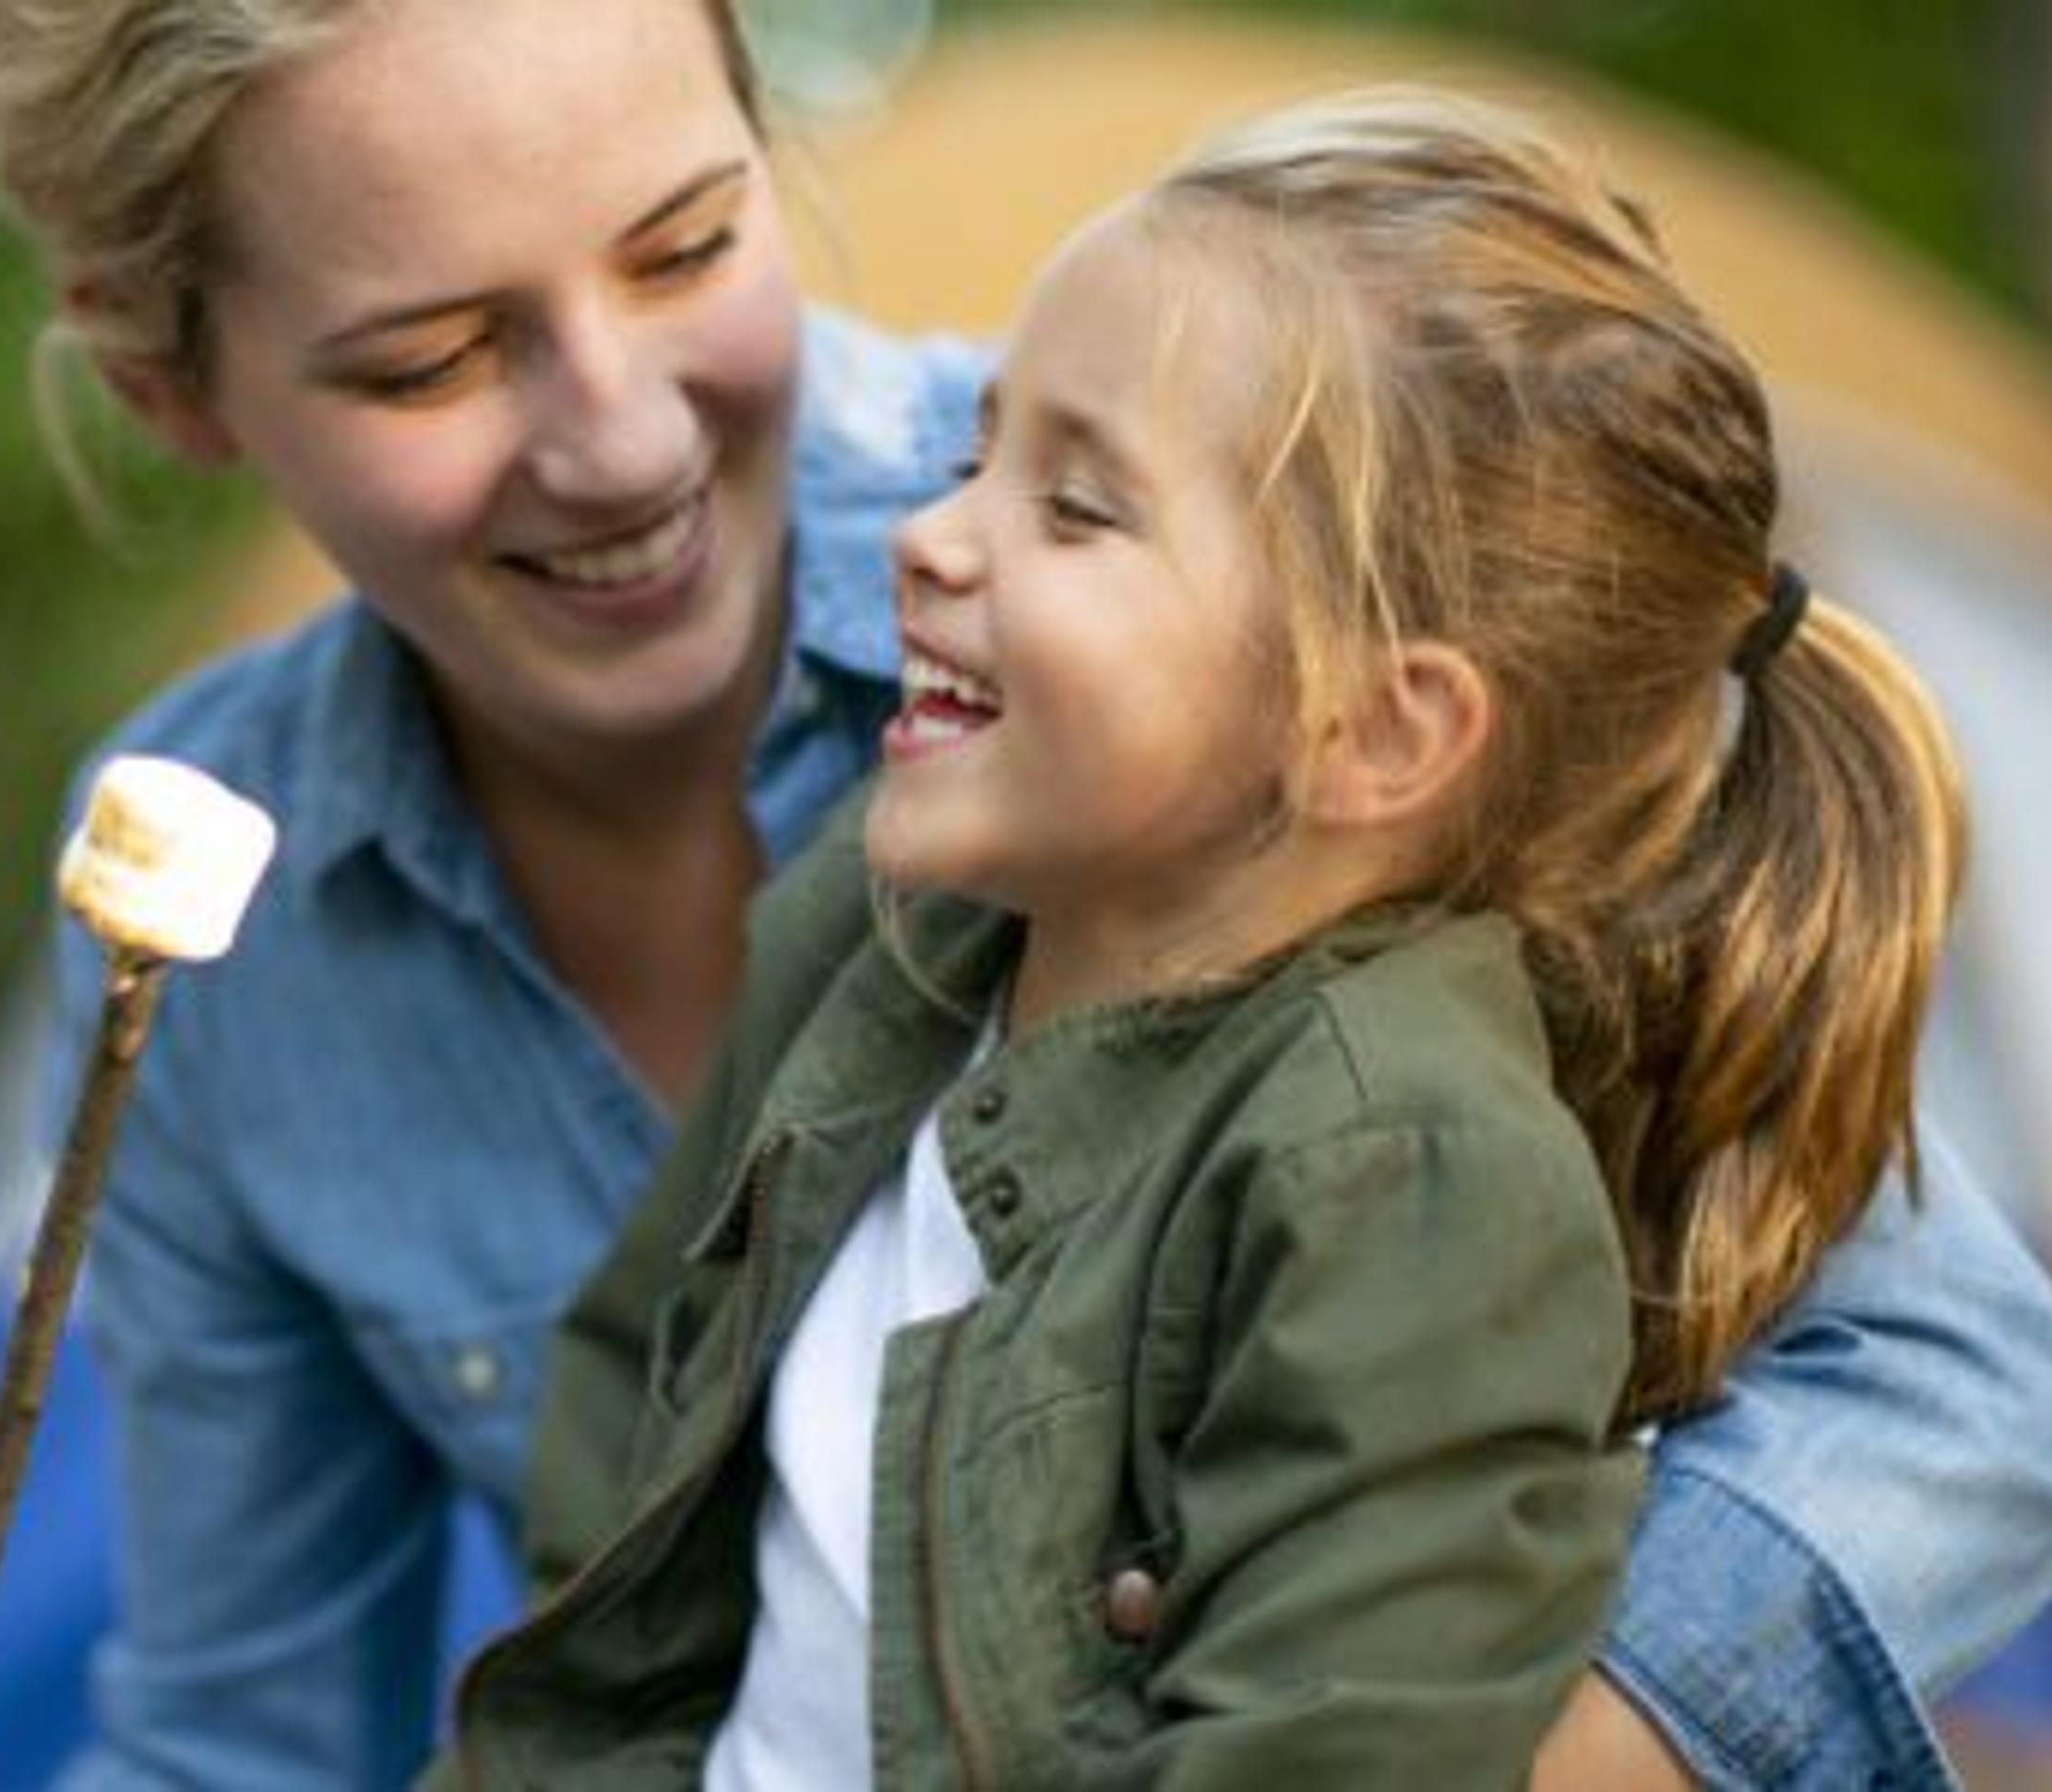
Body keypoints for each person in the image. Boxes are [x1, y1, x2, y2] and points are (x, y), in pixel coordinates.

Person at [0, 0, 2052, 1786]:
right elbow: (256, 1730)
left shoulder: (1221, 596)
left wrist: (1402, 1728)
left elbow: (1961, 1396)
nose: (619, 440)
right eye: (431, 358)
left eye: (688, 244)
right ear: (174, 387)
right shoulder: (222, 897)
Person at [441, 87, 1966, 1783]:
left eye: (1076, 508)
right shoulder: (867, 942)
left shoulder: (1405, 1175)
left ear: (1378, 734)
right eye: (975, 458)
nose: (931, 539)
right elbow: (631, 1446)